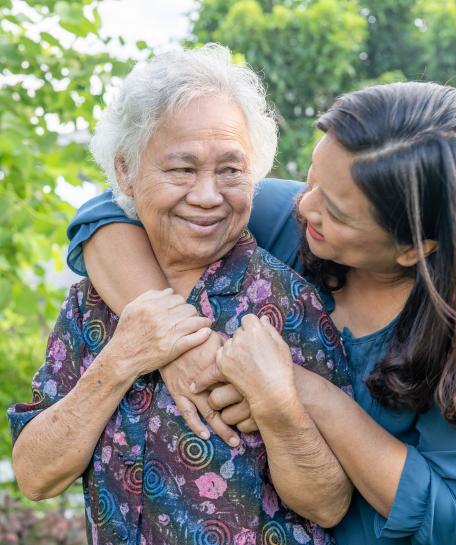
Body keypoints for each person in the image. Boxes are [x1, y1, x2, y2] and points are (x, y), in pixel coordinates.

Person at [65, 80, 456, 545]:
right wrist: (175, 342)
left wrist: (301, 391)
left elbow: (450, 519)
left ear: (413, 248)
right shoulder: (292, 217)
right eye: (313, 179)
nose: (305, 205)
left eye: (335, 211)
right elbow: (110, 213)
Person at [8, 45, 354, 545]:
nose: (209, 195)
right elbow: (36, 476)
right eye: (183, 169)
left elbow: (329, 503)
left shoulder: (289, 300)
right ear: (125, 172)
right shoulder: (92, 303)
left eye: (232, 170)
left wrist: (278, 408)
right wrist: (121, 359)